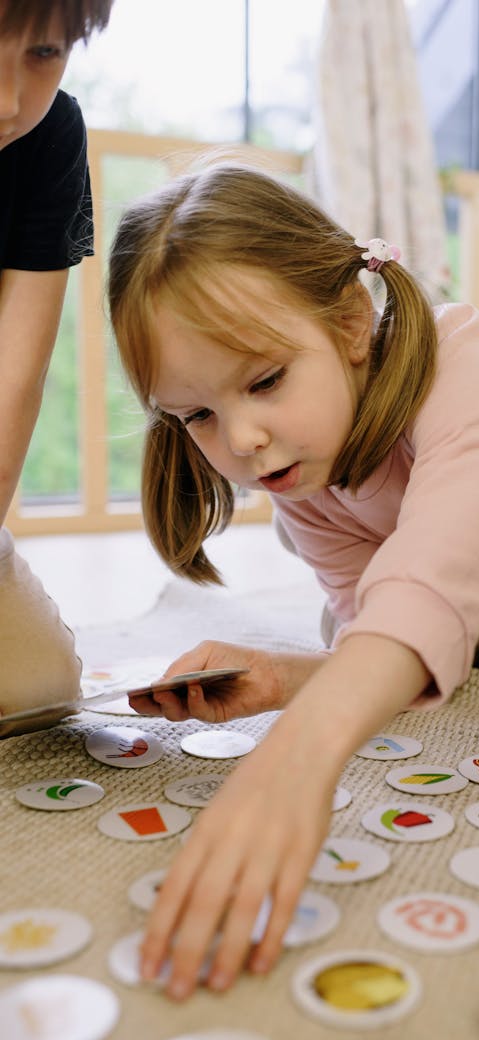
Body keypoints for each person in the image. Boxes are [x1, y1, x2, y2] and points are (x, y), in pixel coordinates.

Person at [108, 163, 479, 1000]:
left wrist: (301, 750)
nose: (241, 438)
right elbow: (377, 625)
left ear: (351, 321)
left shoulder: (467, 362)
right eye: (196, 414)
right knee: (352, 622)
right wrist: (291, 680)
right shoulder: (301, 488)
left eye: (266, 379)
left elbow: (437, 565)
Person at [0, 0, 113, 719]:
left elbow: (14, 380)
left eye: (42, 56)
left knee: (38, 690)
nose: (8, 104)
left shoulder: (52, 137)